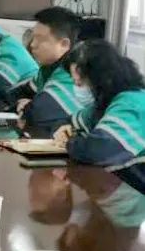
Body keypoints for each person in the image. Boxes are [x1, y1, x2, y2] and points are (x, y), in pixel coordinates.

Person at [54, 40, 145, 175]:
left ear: (100, 78)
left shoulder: (133, 104)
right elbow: (70, 121)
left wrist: (69, 142)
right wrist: (64, 130)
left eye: (80, 84)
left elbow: (99, 151)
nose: (77, 89)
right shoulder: (107, 103)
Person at [8, 7, 84, 136]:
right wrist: (25, 104)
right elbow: (14, 94)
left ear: (64, 44)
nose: (33, 44)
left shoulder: (74, 72)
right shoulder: (47, 69)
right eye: (33, 38)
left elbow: (39, 114)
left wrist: (28, 106)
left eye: (40, 39)